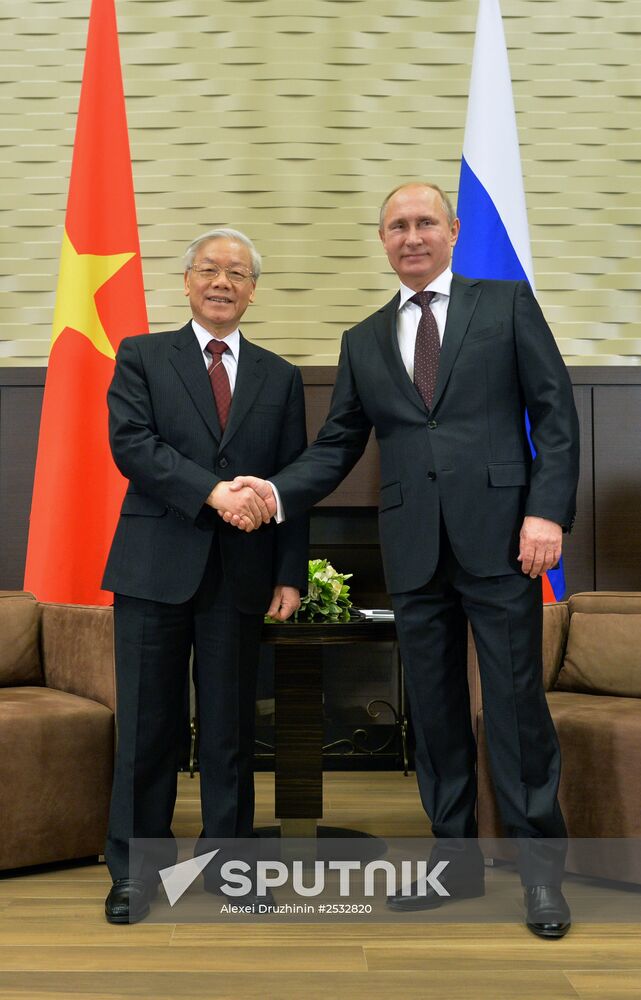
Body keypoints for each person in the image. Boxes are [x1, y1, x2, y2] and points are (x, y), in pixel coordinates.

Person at [224, 183, 580, 938]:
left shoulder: (506, 303)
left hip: (503, 542)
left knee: (516, 713)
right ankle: (453, 866)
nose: (411, 236)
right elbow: (336, 448)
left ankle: (541, 879)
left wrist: (545, 511)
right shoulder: (362, 339)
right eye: (396, 226)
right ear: (381, 240)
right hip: (413, 551)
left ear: (451, 231)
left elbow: (553, 412)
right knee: (436, 716)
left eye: (424, 223)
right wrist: (275, 491)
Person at [102, 227, 308, 923]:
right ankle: (136, 872)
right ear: (186, 281)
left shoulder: (279, 377)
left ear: (253, 290)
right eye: (210, 270)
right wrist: (212, 493)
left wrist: (290, 572)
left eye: (238, 273)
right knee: (147, 727)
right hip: (153, 568)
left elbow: (292, 482)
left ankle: (231, 870)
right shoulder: (141, 356)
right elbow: (133, 446)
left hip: (242, 575)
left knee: (227, 731)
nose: (223, 282)